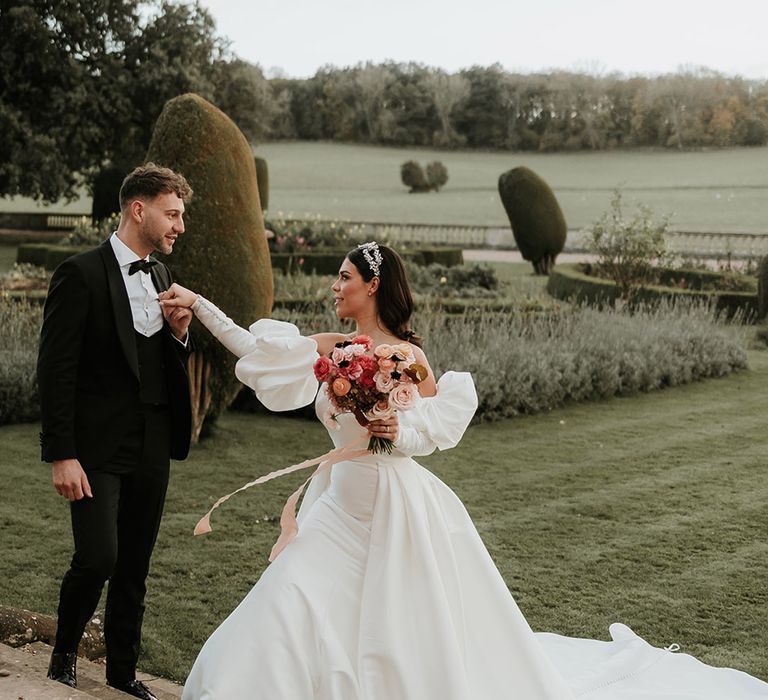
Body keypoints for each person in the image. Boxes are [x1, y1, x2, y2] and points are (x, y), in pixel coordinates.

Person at [160, 242, 768, 699]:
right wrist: (198, 304)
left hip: (391, 506)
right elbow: (251, 345)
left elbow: (431, 429)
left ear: (372, 285)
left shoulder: (409, 359)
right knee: (289, 593)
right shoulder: (329, 348)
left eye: (344, 277)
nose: (334, 285)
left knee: (397, 625)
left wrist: (398, 429)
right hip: (337, 504)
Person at [38, 163, 194, 700]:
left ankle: (123, 673)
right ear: (138, 209)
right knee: (98, 557)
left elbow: (157, 363)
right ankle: (64, 651)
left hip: (153, 440)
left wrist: (178, 337)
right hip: (96, 446)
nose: (179, 226)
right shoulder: (79, 274)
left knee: (135, 563)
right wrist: (62, 454)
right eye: (171, 214)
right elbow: (55, 371)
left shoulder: (164, 278)